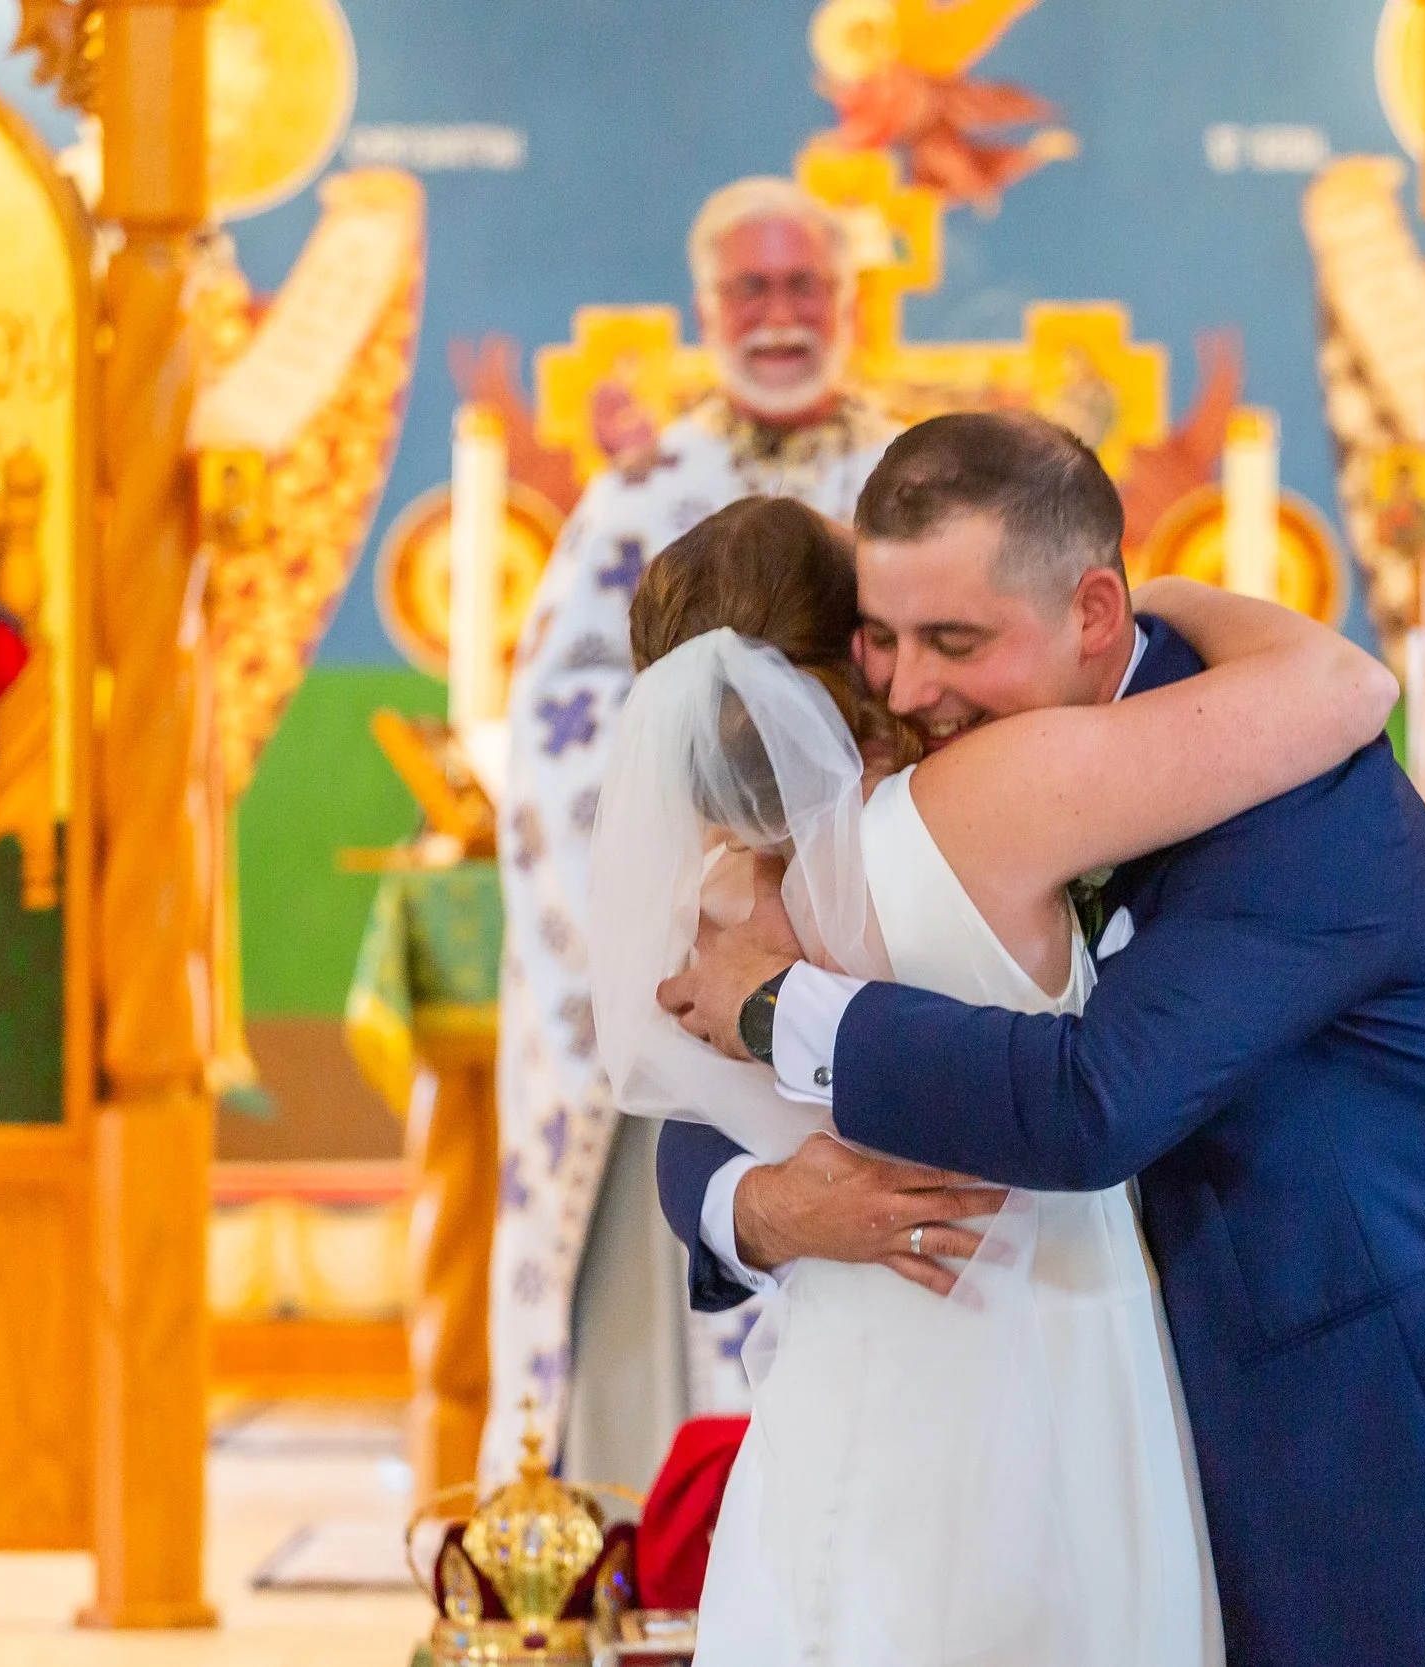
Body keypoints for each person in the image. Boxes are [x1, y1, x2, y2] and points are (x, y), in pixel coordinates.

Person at [658, 412, 1425, 1667]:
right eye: (878, 640)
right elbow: (689, 1100)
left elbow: (1096, 1102)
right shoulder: (886, 824)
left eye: (955, 641)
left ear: (1093, 613)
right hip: (1085, 1448)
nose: (903, 686)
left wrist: (781, 1010)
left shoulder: (1294, 784)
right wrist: (761, 1203)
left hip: (1365, 1474)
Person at [595, 485, 1400, 1664]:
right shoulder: (991, 801)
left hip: (850, 1372)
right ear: (861, 658)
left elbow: (683, 1113)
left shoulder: (710, 904)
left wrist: (754, 1191)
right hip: (1052, 1343)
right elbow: (1346, 688)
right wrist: (1168, 600)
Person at [484, 176, 900, 1489]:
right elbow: (559, 729)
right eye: (751, 290)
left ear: (846, 301)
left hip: (877, 945)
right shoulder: (639, 494)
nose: (780, 316)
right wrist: (702, 899)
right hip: (710, 944)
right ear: (708, 309)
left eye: (803, 285)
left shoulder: (906, 475)